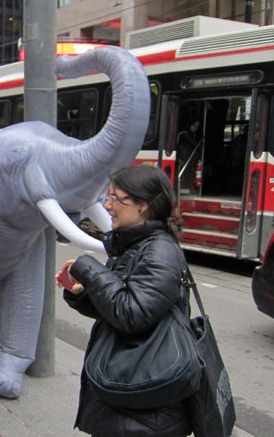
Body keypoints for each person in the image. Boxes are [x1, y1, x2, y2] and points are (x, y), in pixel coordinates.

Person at [57, 165, 193, 437]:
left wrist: (90, 269)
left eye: (115, 198)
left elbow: (132, 314)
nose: (107, 206)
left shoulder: (160, 251)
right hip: (129, 394)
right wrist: (82, 293)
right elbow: (114, 308)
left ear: (143, 205)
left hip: (146, 405)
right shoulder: (132, 245)